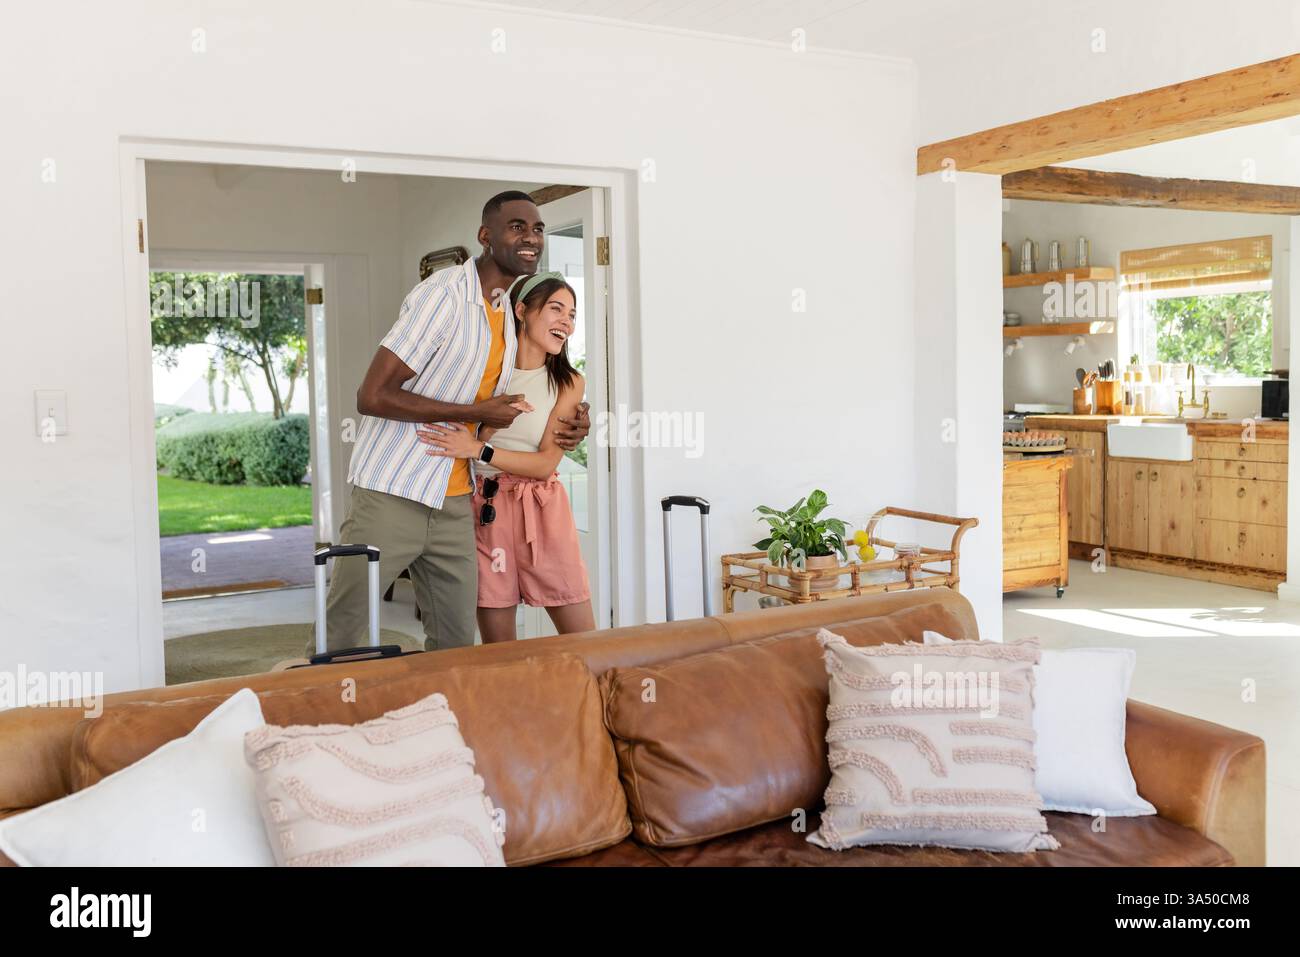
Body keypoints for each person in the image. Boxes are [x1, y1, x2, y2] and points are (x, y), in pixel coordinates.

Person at [308, 191, 591, 656]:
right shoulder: (441, 296)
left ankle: (441, 725)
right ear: (486, 236)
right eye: (517, 226)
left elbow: (519, 395)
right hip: (394, 490)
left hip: (457, 500)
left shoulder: (502, 312)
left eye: (538, 229)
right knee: (343, 628)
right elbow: (372, 395)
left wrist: (573, 426)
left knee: (456, 645)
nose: (531, 238)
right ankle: (305, 722)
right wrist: (477, 415)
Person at [414, 272, 593, 642]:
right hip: (484, 508)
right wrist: (486, 430)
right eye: (556, 309)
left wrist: (480, 448)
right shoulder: (484, 374)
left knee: (583, 641)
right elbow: (459, 436)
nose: (567, 322)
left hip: (543, 510)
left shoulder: (569, 382)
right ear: (522, 310)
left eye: (572, 315)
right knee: (500, 651)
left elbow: (545, 464)